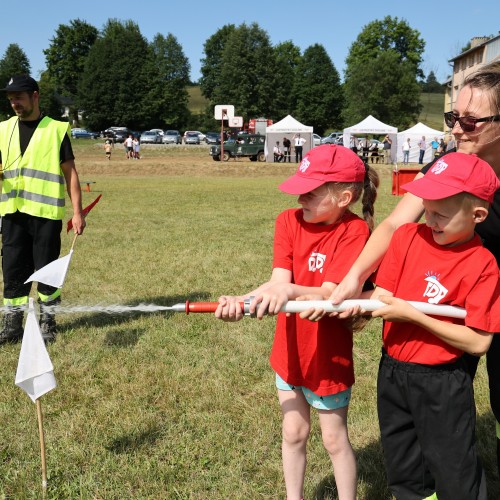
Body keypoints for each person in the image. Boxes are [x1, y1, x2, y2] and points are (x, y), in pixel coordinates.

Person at [327, 60, 500, 482]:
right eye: (452, 117)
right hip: (460, 305)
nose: (457, 129)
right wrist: (355, 279)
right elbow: (393, 225)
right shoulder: (445, 168)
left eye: (471, 121)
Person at [215, 144, 380, 500]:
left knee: (334, 439)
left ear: (344, 197)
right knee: (293, 431)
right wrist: (240, 302)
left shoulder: (353, 232)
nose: (300, 196)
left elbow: (328, 293)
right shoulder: (287, 221)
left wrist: (288, 290)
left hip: (326, 356)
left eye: (311, 191)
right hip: (289, 352)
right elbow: (277, 282)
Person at [0, 75, 85, 343]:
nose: (15, 103)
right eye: (11, 98)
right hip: (12, 212)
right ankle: (13, 325)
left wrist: (78, 212)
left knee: (47, 268)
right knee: (13, 268)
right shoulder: (2, 129)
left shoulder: (56, 130)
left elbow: (70, 174)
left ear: (35, 96)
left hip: (45, 214)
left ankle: (48, 320)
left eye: (19, 97)